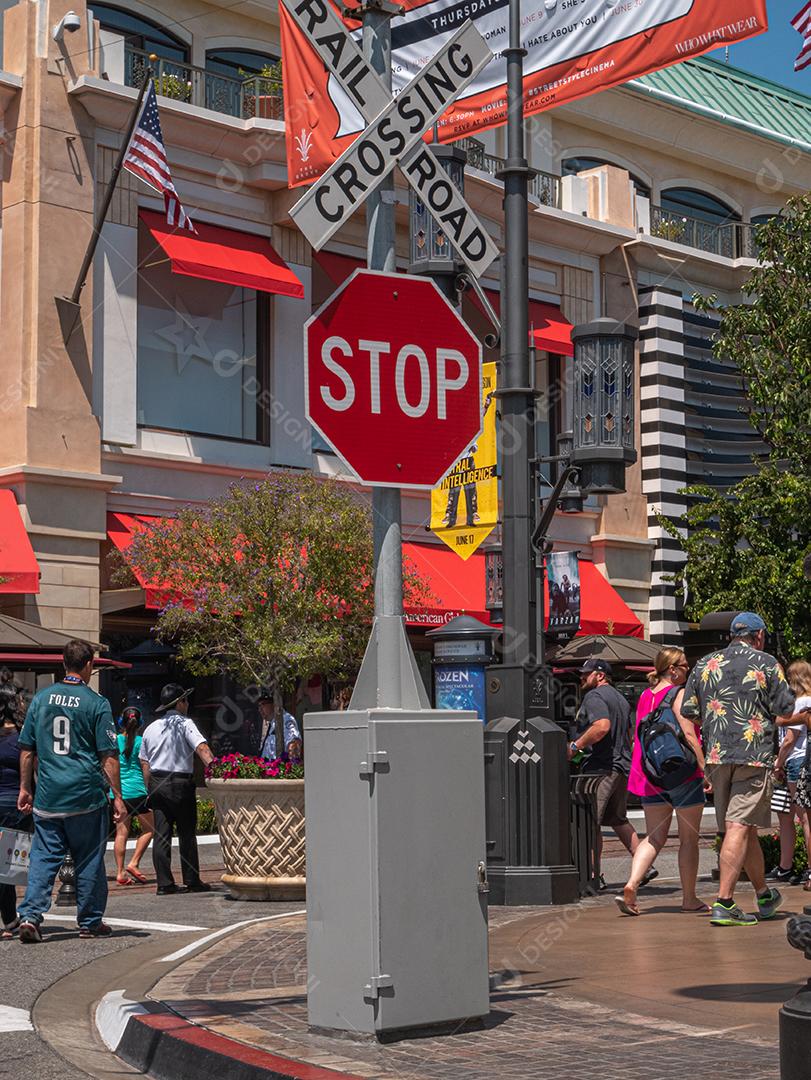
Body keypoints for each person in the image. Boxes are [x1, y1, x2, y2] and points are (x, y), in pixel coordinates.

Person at [681, 612, 797, 927]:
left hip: (717, 756)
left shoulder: (704, 664)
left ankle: (763, 894)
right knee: (738, 826)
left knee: (744, 828)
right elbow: (786, 709)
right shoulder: (767, 663)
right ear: (759, 636)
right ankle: (725, 902)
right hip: (753, 755)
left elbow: (689, 710)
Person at [16, 639, 125, 943]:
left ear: (64, 664)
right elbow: (108, 756)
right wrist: (117, 797)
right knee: (89, 858)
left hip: (48, 795)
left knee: (43, 858)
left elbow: (26, 750)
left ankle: (31, 916)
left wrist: (25, 788)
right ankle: (89, 921)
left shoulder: (41, 699)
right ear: (89, 664)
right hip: (85, 796)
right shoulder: (97, 703)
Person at [616, 647, 708, 916]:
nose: (688, 670)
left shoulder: (645, 696)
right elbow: (689, 735)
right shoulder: (678, 694)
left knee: (654, 837)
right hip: (682, 773)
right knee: (688, 840)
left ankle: (632, 884)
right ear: (672, 669)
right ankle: (689, 899)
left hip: (650, 775)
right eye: (684, 665)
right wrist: (704, 769)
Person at [567, 659, 645, 887]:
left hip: (600, 769)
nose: (582, 677)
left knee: (589, 822)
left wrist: (575, 746)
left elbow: (602, 726)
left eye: (586, 673)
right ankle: (644, 867)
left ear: (600, 675)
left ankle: (593, 876)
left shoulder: (594, 696)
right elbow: (629, 735)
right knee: (618, 819)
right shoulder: (620, 698)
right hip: (621, 766)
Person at [139, 684, 214, 896]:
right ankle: (191, 880)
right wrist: (217, 771)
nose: (187, 704)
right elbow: (202, 748)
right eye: (185, 700)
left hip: (157, 782)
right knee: (186, 833)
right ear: (179, 703)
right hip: (180, 783)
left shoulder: (151, 728)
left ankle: (164, 883)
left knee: (161, 835)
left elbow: (144, 762)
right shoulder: (185, 723)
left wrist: (149, 789)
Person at [768, 661, 811, 886]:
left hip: (796, 762)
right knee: (789, 814)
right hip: (795, 762)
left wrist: (778, 763)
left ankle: (807, 869)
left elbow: (789, 739)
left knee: (804, 817)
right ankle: (788, 866)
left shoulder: (803, 701)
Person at [0, 685, 31, 937]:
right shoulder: (21, 736)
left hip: (9, 802)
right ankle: (9, 920)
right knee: (8, 865)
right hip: (15, 804)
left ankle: (10, 919)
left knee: (6, 865)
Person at [113, 706, 155, 886]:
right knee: (150, 829)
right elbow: (146, 767)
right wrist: (148, 789)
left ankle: (120, 872)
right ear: (140, 724)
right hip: (138, 792)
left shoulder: (114, 740)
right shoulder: (141, 742)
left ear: (121, 722)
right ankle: (134, 862)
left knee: (121, 833)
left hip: (119, 793)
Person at [256, 691, 302, 762]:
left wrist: (292, 765)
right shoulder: (271, 723)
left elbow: (294, 744)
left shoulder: (286, 719)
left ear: (274, 704)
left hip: (278, 767)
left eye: (263, 704)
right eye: (259, 706)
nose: (260, 709)